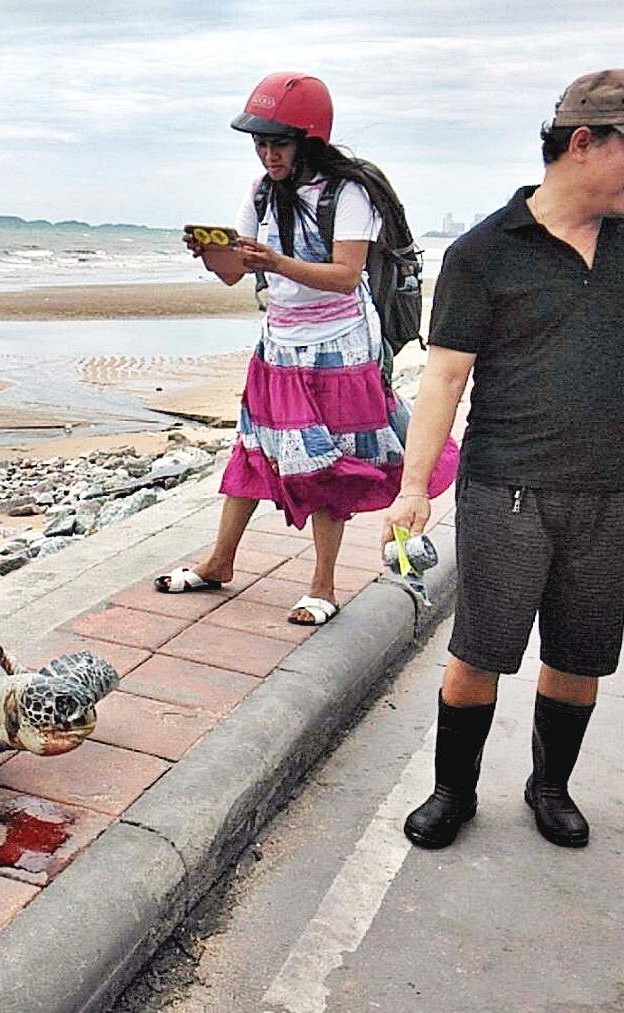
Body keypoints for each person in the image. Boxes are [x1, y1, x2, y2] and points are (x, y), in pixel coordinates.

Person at [382, 69, 624, 851]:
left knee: (581, 652)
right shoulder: (484, 252)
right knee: (480, 650)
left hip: (609, 487)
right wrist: (415, 486)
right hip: (506, 485)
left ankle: (550, 787)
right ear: (584, 143)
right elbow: (445, 374)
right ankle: (454, 791)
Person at [153, 71, 457, 626]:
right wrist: (211, 253)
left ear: (309, 141)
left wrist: (274, 263)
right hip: (279, 345)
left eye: (278, 143)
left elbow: (346, 275)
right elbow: (233, 274)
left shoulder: (349, 194)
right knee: (253, 448)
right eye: (260, 143)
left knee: (331, 463)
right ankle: (220, 561)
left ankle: (323, 585)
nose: (268, 154)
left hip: (339, 349)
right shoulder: (262, 191)